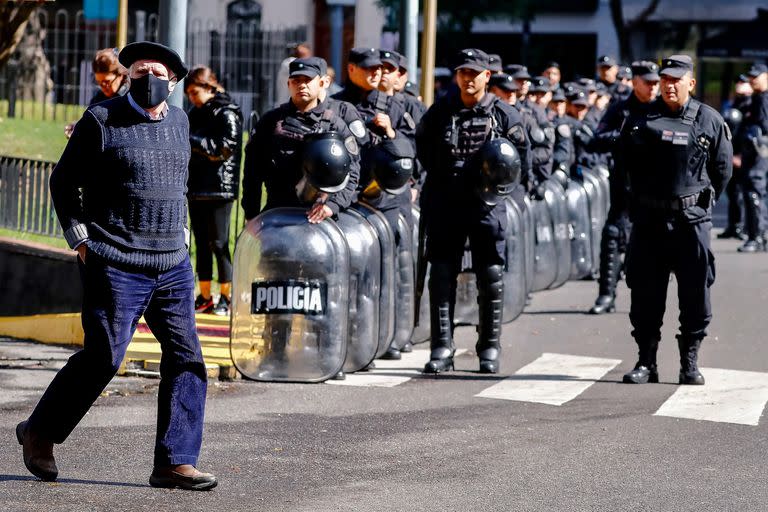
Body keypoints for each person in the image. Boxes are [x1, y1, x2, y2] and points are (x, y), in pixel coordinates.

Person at [18, 41, 217, 490]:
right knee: (104, 357)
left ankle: (175, 461)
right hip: (116, 262)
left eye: (159, 72)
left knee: (187, 358)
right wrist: (81, 239)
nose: (149, 77)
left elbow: (175, 181)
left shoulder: (181, 121)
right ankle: (38, 432)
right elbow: (64, 182)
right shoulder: (101, 120)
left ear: (174, 81)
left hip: (171, 265)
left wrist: (180, 232)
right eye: (141, 69)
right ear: (127, 75)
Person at [617, 55, 732, 385]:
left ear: (691, 84)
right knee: (645, 293)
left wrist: (699, 203)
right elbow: (621, 168)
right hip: (649, 221)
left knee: (695, 292)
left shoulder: (709, 120)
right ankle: (646, 361)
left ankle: (689, 362)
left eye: (676, 80)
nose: (668, 85)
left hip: (690, 222)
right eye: (664, 79)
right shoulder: (640, 119)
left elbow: (722, 170)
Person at [416, 48, 531, 374]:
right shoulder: (440, 112)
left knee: (490, 274)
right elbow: (423, 148)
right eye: (463, 72)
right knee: (441, 274)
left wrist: (511, 197)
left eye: (475, 73)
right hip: (447, 202)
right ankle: (442, 346)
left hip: (487, 205)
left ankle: (489, 347)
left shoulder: (504, 114)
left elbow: (522, 160)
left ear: (487, 76)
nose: (468, 79)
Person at [242, 56, 360, 223]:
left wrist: (332, 206)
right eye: (296, 80)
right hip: (278, 212)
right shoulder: (270, 122)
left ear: (322, 83)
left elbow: (352, 171)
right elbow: (252, 172)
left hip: (320, 217)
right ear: (289, 84)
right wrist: (251, 214)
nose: (301, 85)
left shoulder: (335, 125)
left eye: (308, 80)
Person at [587, 60, 660, 315]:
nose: (652, 88)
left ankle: (648, 299)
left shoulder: (665, 109)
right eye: (647, 82)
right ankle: (606, 294)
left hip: (656, 189)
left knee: (653, 245)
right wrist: (625, 136)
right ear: (635, 82)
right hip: (624, 184)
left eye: (655, 83)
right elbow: (596, 139)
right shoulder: (621, 109)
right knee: (612, 238)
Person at [185, 66, 243, 316]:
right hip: (197, 186)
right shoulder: (195, 113)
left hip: (219, 188)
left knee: (219, 242)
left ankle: (227, 296)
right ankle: (205, 294)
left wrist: (193, 141)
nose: (191, 98)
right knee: (201, 244)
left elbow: (224, 148)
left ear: (209, 88)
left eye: (195, 92)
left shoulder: (227, 113)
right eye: (188, 93)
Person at [65, 48, 130, 138]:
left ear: (121, 75)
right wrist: (78, 128)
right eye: (99, 82)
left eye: (107, 82)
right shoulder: (98, 99)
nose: (103, 87)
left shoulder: (131, 99)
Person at [737, 63, 768, 252]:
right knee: (751, 190)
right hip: (751, 152)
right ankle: (757, 234)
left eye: (756, 76)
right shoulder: (755, 98)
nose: (752, 79)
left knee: (754, 192)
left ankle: (757, 236)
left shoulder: (764, 99)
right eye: (751, 76)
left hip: (760, 152)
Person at [718, 75, 752, 240]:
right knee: (732, 193)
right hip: (731, 153)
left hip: (743, 157)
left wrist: (740, 155)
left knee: (743, 194)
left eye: (743, 83)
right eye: (737, 82)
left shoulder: (752, 103)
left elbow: (748, 134)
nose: (739, 85)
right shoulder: (734, 102)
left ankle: (744, 228)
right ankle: (733, 226)